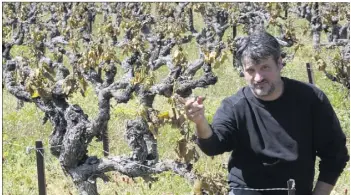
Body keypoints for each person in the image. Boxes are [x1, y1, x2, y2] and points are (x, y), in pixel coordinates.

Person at [182, 31, 349, 195]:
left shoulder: (311, 99)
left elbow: (335, 154)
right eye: (251, 70)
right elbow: (214, 145)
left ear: (279, 63)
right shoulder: (235, 106)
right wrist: (200, 121)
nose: (258, 77)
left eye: (264, 67)